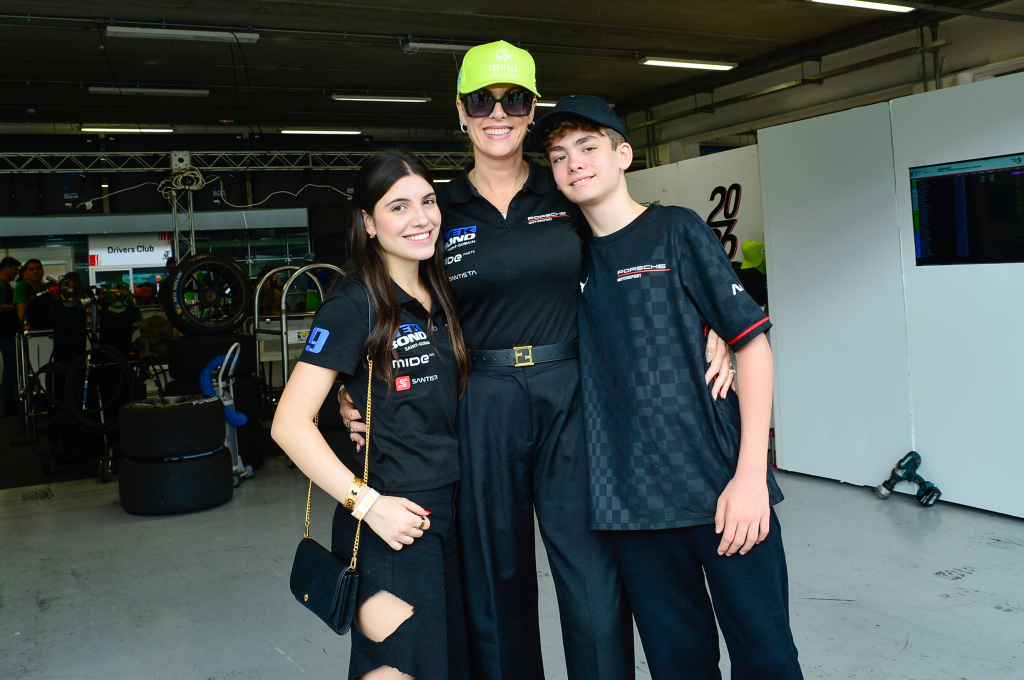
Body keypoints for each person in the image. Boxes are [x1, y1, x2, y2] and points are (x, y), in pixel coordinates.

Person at [342, 42, 736, 680]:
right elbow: (387, 295)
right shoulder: (438, 208)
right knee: (495, 582)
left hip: (572, 395)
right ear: (461, 113)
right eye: (481, 102)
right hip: (481, 400)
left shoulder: (569, 188)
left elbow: (634, 253)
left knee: (592, 575)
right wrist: (355, 386)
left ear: (531, 111)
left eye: (514, 101)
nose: (498, 114)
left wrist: (712, 323)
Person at [533, 95, 802, 679]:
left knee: (768, 660)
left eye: (588, 147)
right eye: (559, 156)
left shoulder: (676, 229)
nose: (574, 163)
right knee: (679, 666)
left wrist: (751, 478)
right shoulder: (566, 261)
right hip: (632, 511)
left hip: (721, 492)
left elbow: (753, 345)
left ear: (623, 155)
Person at [272, 150, 471, 680]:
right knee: (397, 667)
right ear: (368, 222)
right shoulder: (353, 303)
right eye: (398, 206)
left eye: (428, 201)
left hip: (455, 511)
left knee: (448, 665)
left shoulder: (441, 292)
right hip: (392, 522)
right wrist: (369, 505)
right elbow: (289, 423)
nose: (420, 218)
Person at [0, 256, 22, 416]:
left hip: (6, 331)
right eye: (15, 269)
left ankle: (10, 402)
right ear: (6, 268)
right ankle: (8, 404)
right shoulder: (1, 285)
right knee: (11, 367)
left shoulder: (6, 285)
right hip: (4, 332)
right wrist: (16, 307)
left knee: (11, 366)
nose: (16, 273)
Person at [13, 259, 46, 330]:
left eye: (38, 269)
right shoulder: (22, 286)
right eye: (31, 269)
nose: (35, 271)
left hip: (47, 329)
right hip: (29, 330)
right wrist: (25, 324)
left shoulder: (45, 289)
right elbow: (20, 308)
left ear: (42, 272)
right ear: (25, 273)